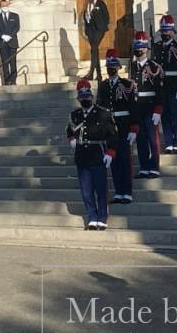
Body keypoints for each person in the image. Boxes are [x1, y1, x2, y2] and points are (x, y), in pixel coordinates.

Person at [67, 79, 117, 230]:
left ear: (92, 97)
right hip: (82, 157)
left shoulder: (103, 114)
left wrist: (110, 152)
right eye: (82, 98)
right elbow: (69, 130)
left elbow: (113, 136)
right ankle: (92, 217)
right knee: (86, 191)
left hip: (98, 155)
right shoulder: (75, 115)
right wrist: (71, 139)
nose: (85, 100)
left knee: (101, 190)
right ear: (78, 99)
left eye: (87, 97)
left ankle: (102, 217)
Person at [96, 50, 138, 204]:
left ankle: (127, 192)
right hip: (109, 129)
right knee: (113, 161)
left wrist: (134, 128)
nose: (110, 70)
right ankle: (118, 191)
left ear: (118, 68)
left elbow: (133, 107)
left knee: (125, 160)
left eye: (113, 67)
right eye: (109, 67)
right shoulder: (103, 86)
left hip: (124, 126)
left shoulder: (127, 85)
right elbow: (100, 108)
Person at [129, 32, 164, 179]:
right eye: (136, 48)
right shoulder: (132, 66)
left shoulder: (154, 66)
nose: (138, 51)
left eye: (141, 48)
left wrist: (158, 110)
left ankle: (154, 167)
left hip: (150, 106)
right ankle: (144, 167)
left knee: (152, 139)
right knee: (141, 139)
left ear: (146, 49)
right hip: (138, 107)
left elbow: (160, 90)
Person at [154, 15, 177, 154]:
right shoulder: (157, 47)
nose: (165, 34)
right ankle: (169, 142)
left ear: (173, 32)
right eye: (163, 31)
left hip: (175, 86)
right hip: (161, 87)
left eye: (167, 31)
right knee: (165, 116)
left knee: (175, 115)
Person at [82, 0, 110, 81]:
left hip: (99, 30)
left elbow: (106, 16)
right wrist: (86, 30)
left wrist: (103, 26)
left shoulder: (100, 3)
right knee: (95, 51)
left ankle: (91, 73)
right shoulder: (86, 5)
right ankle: (98, 75)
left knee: (94, 49)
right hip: (90, 31)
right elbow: (85, 18)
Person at [0, 0, 21, 86]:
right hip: (2, 43)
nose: (4, 7)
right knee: (4, 63)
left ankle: (13, 80)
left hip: (12, 42)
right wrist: (2, 36)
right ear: (0, 7)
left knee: (13, 62)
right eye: (2, 6)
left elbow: (17, 27)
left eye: (5, 5)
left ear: (8, 5)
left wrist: (10, 36)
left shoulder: (15, 16)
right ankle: (6, 81)